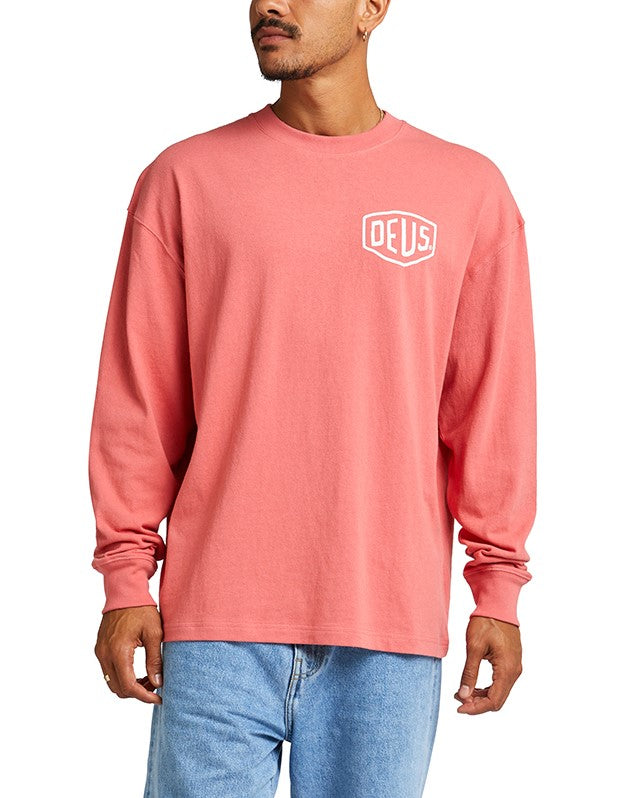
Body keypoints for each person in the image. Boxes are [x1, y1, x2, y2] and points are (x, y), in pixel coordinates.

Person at [89, 1, 537, 796]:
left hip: (387, 626)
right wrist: (127, 578)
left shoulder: (466, 190)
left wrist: (496, 590)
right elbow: (139, 404)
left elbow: (491, 411)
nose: (270, 3)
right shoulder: (184, 181)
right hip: (214, 625)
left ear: (372, 8)